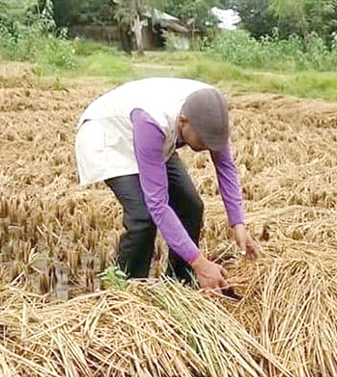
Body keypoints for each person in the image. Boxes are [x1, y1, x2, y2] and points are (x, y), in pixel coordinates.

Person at [74, 77, 260, 291]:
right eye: (203, 142)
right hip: (110, 135)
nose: (209, 147)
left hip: (150, 136)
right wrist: (200, 262)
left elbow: (225, 166)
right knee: (142, 218)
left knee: (191, 205)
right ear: (183, 121)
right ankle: (123, 293)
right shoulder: (154, 121)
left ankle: (179, 284)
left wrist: (238, 224)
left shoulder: (210, 111)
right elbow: (158, 204)